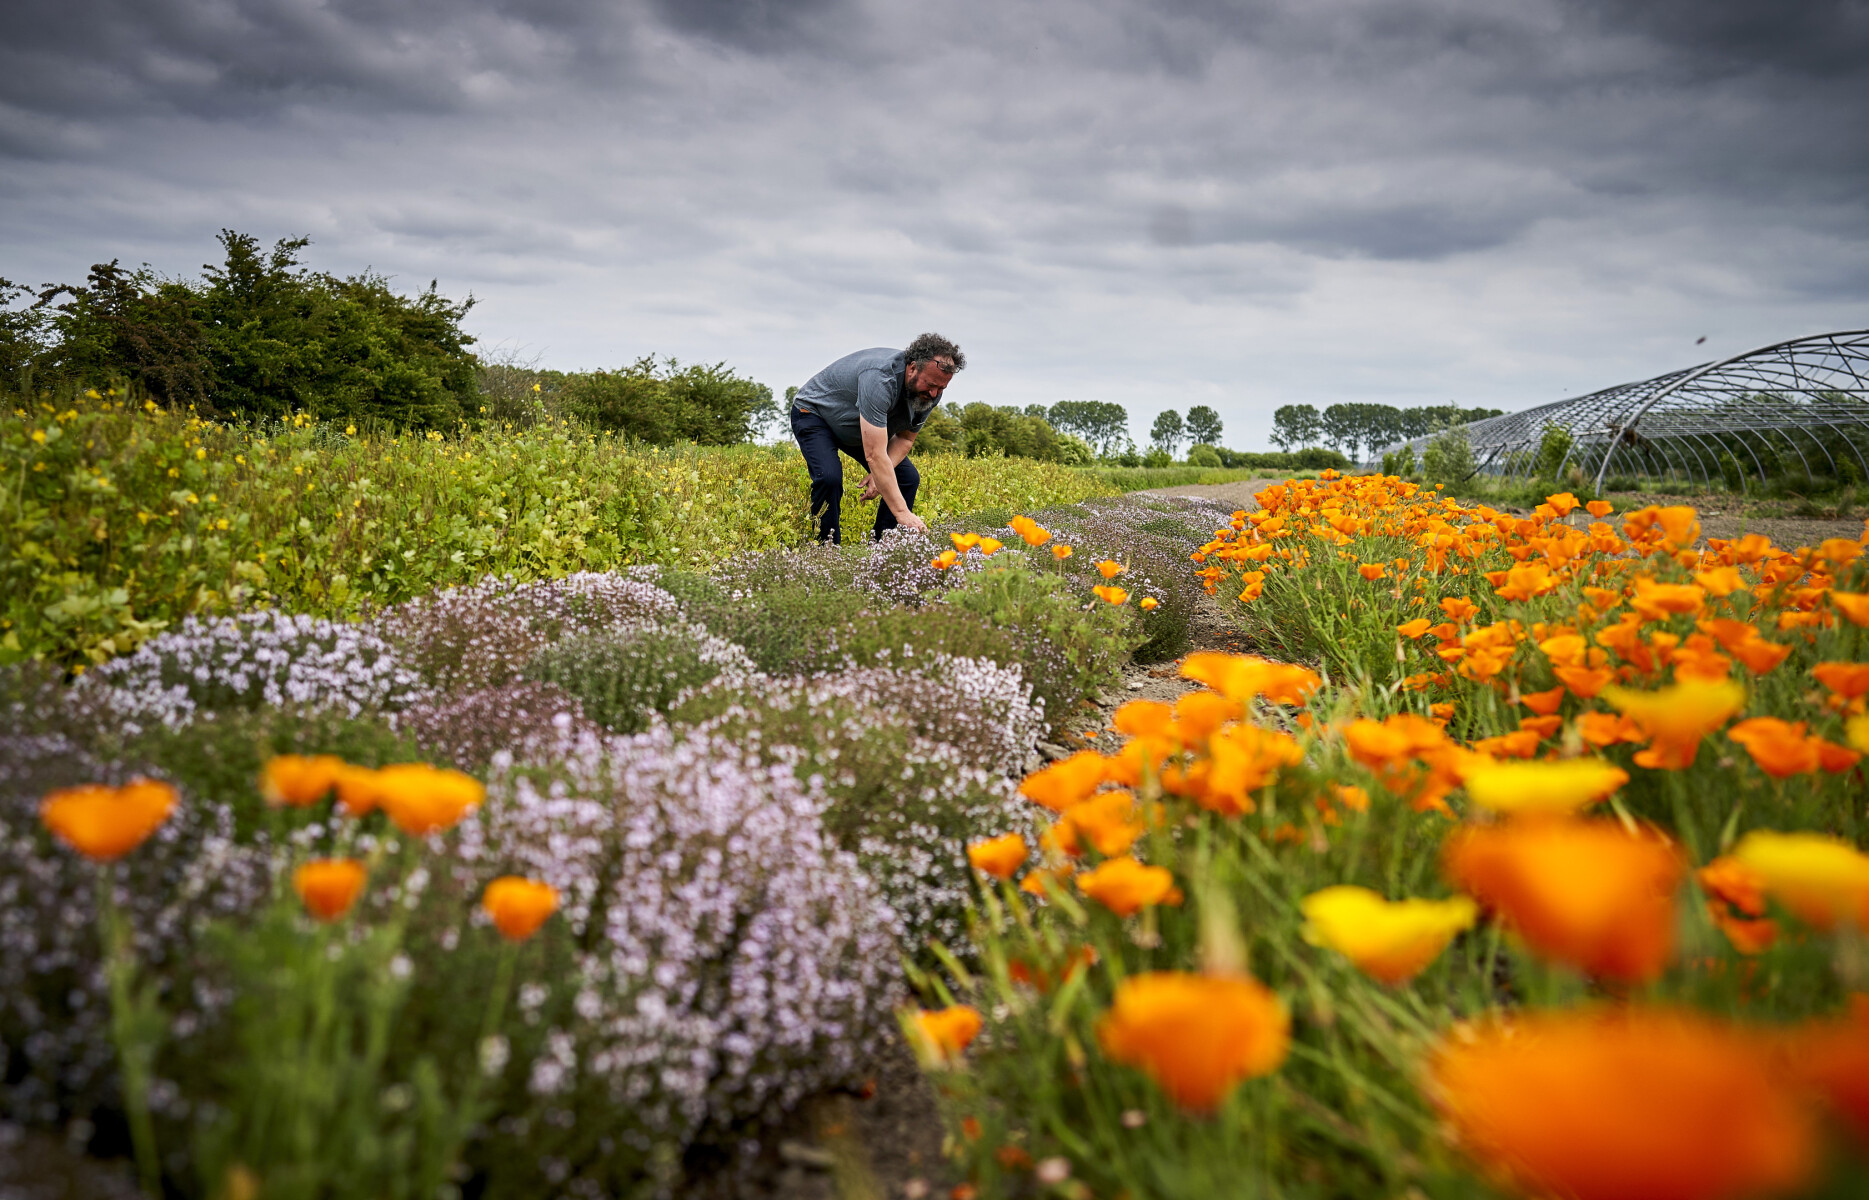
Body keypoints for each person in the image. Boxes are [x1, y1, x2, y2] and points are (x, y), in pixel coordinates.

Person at [790, 333, 964, 543]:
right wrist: (902, 513)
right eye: (930, 384)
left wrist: (879, 473)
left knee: (907, 478)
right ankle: (826, 548)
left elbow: (905, 439)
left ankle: (883, 549)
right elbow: (874, 454)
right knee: (829, 477)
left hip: (860, 427)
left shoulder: (929, 393)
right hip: (815, 414)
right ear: (912, 368)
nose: (935, 394)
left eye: (942, 388)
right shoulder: (880, 378)